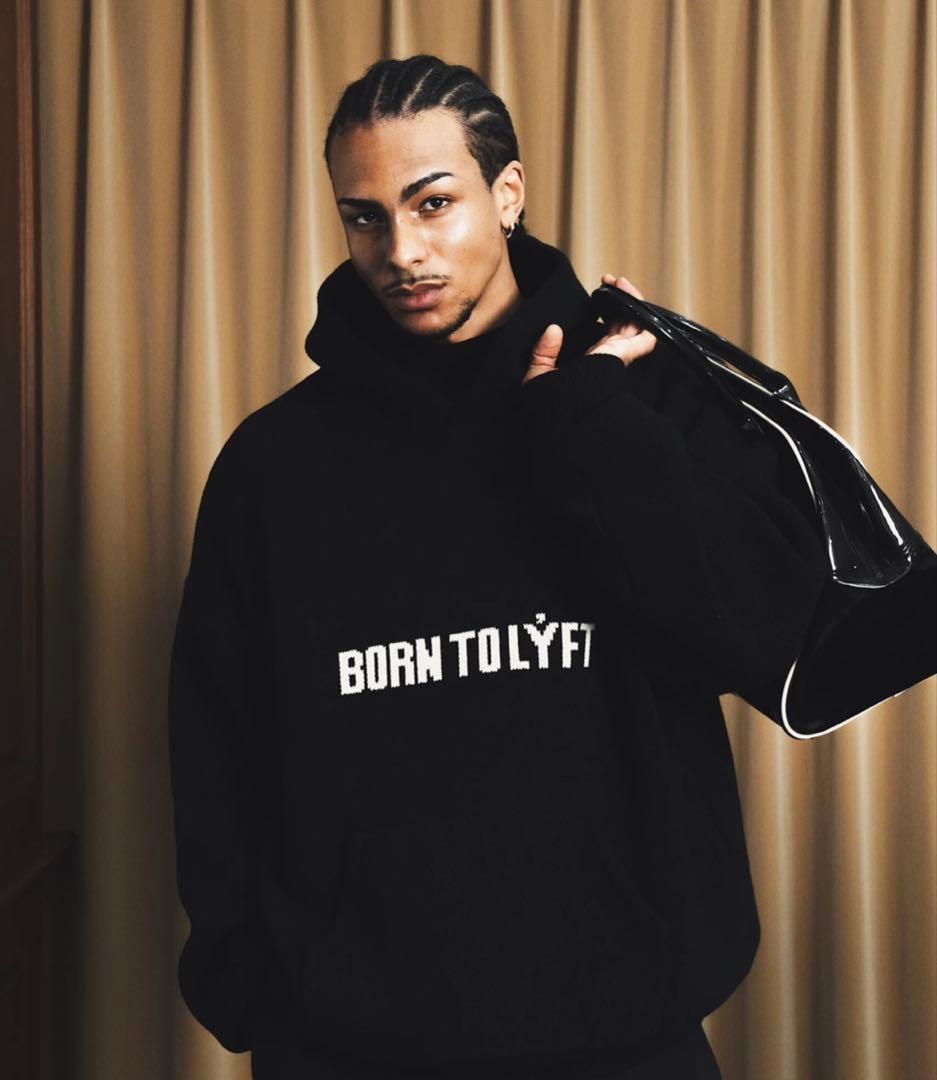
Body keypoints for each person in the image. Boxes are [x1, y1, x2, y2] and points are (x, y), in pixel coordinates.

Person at [168, 54, 829, 1079]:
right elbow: (217, 739)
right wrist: (255, 984)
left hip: (623, 1032)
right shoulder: (274, 462)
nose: (400, 250)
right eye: (364, 217)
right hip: (348, 1044)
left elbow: (770, 629)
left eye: (432, 203)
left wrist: (591, 429)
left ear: (507, 193)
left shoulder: (638, 399)